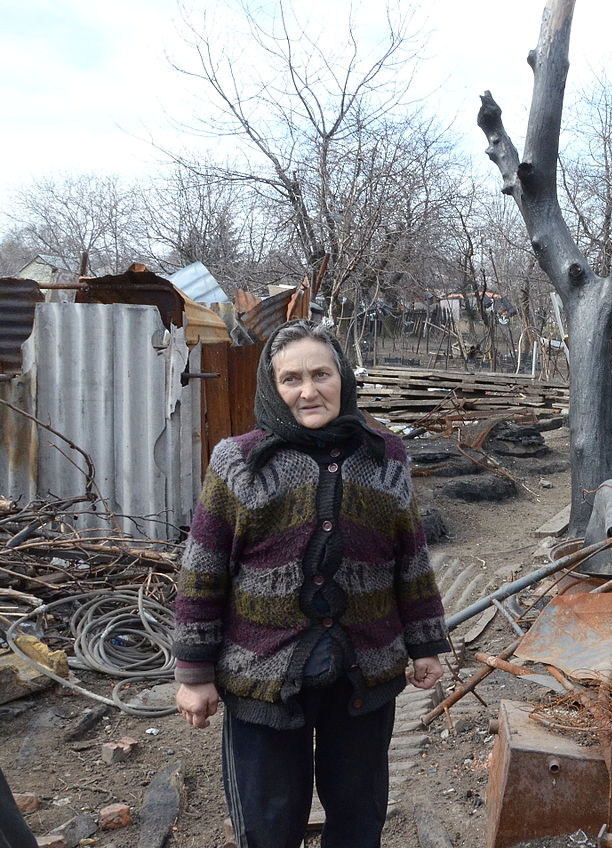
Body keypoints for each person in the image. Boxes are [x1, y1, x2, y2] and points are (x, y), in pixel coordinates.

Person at [173, 319, 448, 848]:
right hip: (262, 676)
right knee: (269, 821)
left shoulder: (385, 457)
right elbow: (203, 571)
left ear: (342, 378)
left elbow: (410, 558)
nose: (308, 390)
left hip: (364, 672)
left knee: (359, 811)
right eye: (291, 379)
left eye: (321, 374)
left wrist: (426, 644)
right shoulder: (238, 462)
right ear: (272, 389)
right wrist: (194, 672)